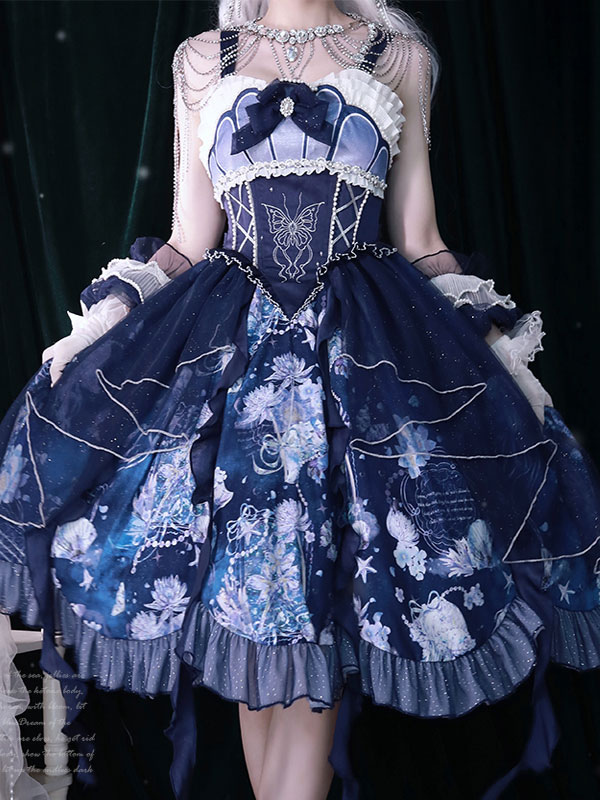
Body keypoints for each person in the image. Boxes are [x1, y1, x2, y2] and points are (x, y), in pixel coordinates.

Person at [1, 1, 599, 799]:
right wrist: (101, 327)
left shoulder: (400, 58)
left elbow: (420, 241)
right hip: (238, 368)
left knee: (316, 611)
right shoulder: (200, 61)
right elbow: (188, 239)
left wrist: (503, 357)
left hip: (361, 360)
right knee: (258, 618)